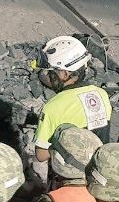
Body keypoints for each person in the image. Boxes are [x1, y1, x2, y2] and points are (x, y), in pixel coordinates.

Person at [32, 35, 112, 163]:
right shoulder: (101, 94)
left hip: (69, 171)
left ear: (64, 74)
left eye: (51, 73)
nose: (48, 77)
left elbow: (41, 155)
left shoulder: (53, 107)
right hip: (99, 166)